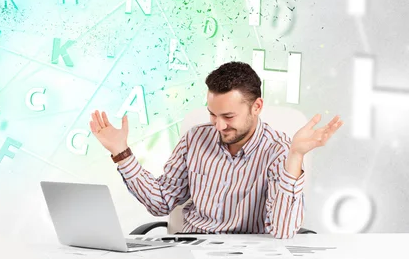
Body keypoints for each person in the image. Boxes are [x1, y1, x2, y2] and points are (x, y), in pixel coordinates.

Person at [89, 61, 343, 238]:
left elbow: (283, 230)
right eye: (212, 114)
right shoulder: (195, 139)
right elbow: (161, 203)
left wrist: (295, 156)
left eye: (229, 116)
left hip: (248, 253)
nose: (219, 125)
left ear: (256, 107)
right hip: (190, 247)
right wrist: (121, 153)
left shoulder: (279, 151)